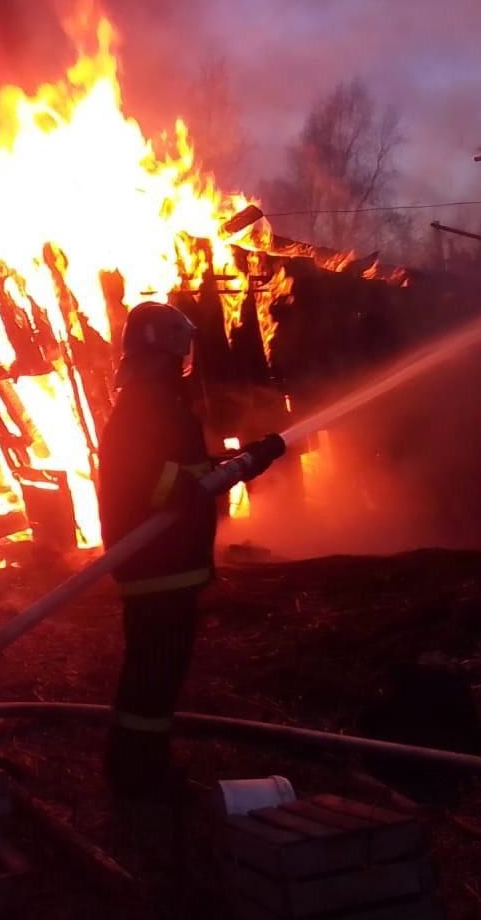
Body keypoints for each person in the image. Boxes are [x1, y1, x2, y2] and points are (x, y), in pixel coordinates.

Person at [98, 302, 285, 799]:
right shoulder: (148, 404)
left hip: (165, 564)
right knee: (153, 675)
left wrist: (242, 463)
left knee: (155, 675)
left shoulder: (151, 400)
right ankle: (138, 774)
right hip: (158, 563)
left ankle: (140, 762)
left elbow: (181, 473)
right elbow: (157, 484)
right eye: (177, 344)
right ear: (159, 347)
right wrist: (219, 473)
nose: (184, 355)